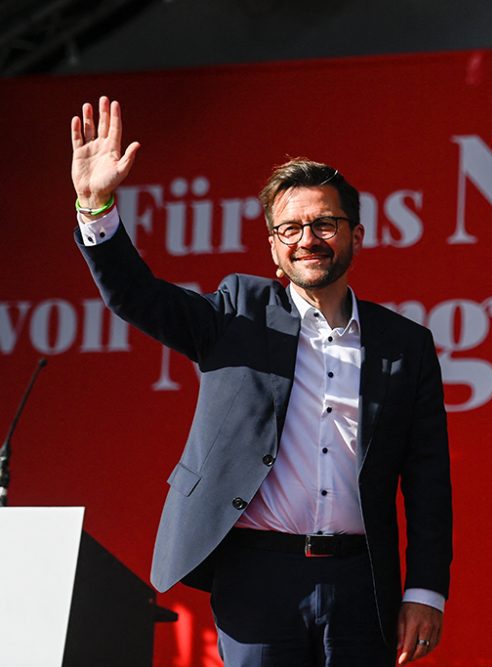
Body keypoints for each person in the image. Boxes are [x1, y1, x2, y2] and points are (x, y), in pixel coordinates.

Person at [69, 97, 451, 666]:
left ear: (356, 235)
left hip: (359, 579)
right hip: (257, 573)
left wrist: (424, 591)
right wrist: (96, 205)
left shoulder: (405, 343)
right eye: (290, 228)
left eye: (325, 223)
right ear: (273, 248)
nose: (308, 238)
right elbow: (136, 295)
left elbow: (427, 478)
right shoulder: (237, 312)